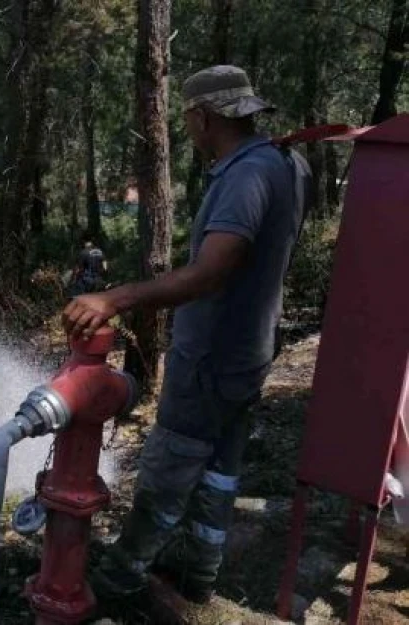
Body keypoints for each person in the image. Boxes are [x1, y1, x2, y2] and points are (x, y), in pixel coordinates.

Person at [62, 66, 313, 604]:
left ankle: (118, 578)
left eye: (188, 120)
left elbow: (210, 272)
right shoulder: (289, 164)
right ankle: (200, 572)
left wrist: (114, 298)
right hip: (249, 350)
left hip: (211, 355)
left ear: (202, 117)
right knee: (221, 467)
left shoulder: (245, 176)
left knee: (170, 464)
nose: (189, 131)